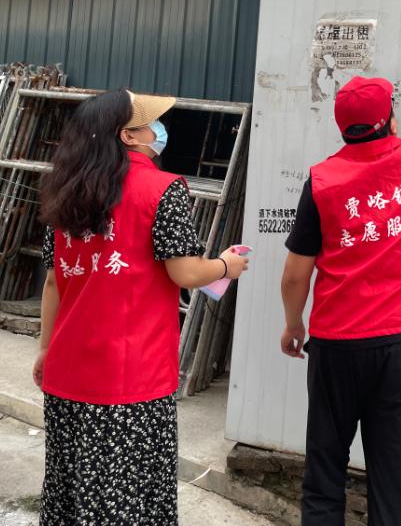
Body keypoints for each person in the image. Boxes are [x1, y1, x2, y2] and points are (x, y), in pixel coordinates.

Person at [34, 89, 249, 526]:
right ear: (128, 137)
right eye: (151, 125)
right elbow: (185, 273)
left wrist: (43, 349)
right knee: (128, 500)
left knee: (70, 490)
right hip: (131, 379)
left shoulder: (65, 190)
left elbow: (55, 279)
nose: (159, 131)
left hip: (67, 372)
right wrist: (226, 264)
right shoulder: (162, 189)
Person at [280, 31, 401, 525]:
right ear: (390, 121)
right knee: (394, 485)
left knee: (324, 473)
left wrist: (294, 325)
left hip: (336, 347)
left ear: (342, 127)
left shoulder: (322, 181)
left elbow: (295, 275)